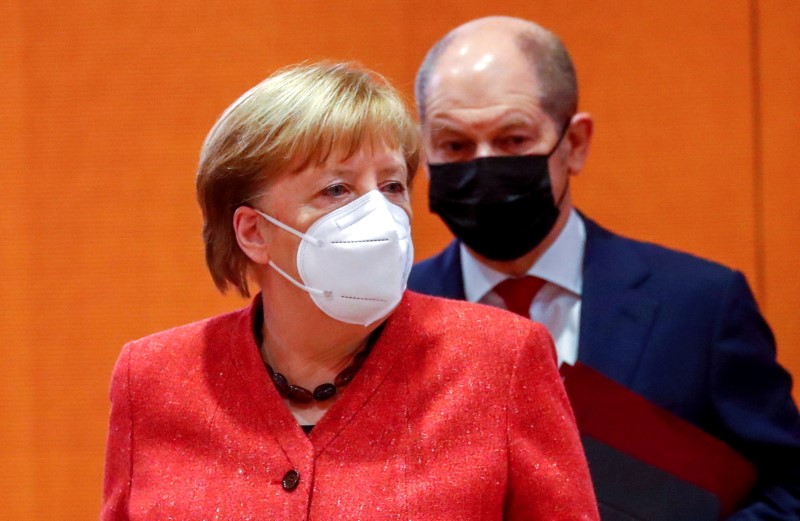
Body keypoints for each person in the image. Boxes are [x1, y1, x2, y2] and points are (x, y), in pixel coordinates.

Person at [100, 62, 600, 520]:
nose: (379, 216)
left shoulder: (501, 360)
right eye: (336, 190)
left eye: (392, 186)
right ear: (253, 232)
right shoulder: (153, 378)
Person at [408, 15, 800, 520]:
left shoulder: (701, 305)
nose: (484, 168)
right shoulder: (391, 314)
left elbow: (789, 490)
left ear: (574, 144)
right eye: (455, 146)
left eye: (513, 140)